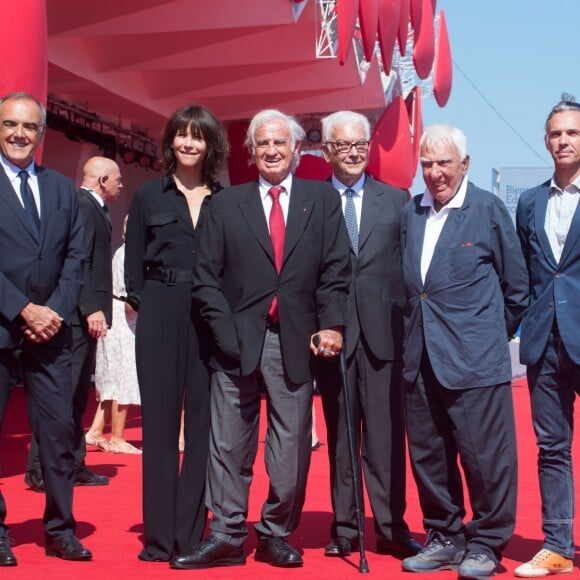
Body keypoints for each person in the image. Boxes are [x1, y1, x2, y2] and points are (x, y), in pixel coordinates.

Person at [172, 109, 351, 570]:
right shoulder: (224, 204)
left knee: (290, 451)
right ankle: (227, 535)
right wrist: (224, 332)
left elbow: (335, 271)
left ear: (296, 150)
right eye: (262, 144)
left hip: (295, 342)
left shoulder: (322, 201)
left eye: (280, 143)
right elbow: (205, 279)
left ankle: (274, 532)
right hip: (234, 343)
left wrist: (332, 324)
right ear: (250, 153)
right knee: (229, 445)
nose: (272, 151)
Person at [400, 124, 529, 579]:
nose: (435, 173)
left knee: (486, 461)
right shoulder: (411, 213)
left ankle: (487, 543)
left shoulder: (488, 210)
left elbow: (518, 289)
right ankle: (444, 537)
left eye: (444, 163)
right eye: (427, 163)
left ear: (465, 165)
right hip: (420, 360)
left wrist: (487, 338)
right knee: (429, 457)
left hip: (475, 361)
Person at [124, 104, 229, 562]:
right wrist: (149, 314)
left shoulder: (225, 200)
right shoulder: (149, 195)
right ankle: (159, 537)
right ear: (171, 142)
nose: (188, 143)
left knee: (204, 427)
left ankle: (190, 535)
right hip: (161, 311)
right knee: (162, 427)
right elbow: (133, 267)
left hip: (208, 315)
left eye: (197, 136)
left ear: (210, 145)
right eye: (181, 136)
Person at [316, 110, 420, 559]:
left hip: (384, 336)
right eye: (343, 145)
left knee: (385, 437)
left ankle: (392, 527)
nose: (354, 152)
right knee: (341, 437)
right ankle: (346, 528)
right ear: (326, 151)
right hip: (333, 337)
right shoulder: (312, 202)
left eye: (361, 144)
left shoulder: (398, 201)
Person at [0, 91, 91, 564]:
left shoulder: (61, 189)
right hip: (2, 325)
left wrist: (52, 310)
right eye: (10, 125)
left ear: (41, 133)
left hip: (53, 333)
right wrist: (22, 309)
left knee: (58, 433)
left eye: (28, 127)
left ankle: (60, 528)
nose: (19, 134)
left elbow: (76, 258)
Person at [25, 156, 121, 491]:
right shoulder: (82, 205)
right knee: (61, 396)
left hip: (86, 319)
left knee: (79, 396)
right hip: (78, 320)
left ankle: (75, 463)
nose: (121, 186)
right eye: (118, 180)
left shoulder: (94, 208)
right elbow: (79, 262)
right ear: (103, 179)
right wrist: (91, 307)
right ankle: (39, 469)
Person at [514, 95, 580, 578]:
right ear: (546, 140)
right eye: (556, 133)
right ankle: (558, 543)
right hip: (544, 343)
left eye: (572, 133)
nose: (563, 140)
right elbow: (525, 276)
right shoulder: (529, 201)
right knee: (552, 447)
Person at [85, 214, 141, 454]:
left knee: (113, 376)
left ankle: (96, 431)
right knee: (123, 377)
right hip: (122, 318)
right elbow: (131, 300)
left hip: (118, 316)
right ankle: (117, 437)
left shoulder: (123, 251)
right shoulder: (129, 255)